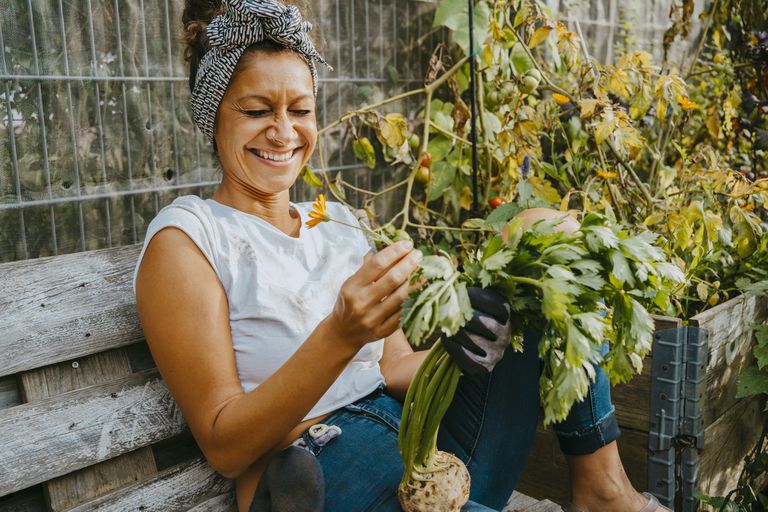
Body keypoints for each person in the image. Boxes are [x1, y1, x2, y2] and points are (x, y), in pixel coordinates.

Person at [133, 1, 671, 511]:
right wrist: (340, 335)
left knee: (543, 233)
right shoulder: (189, 238)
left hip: (422, 434)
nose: (283, 131)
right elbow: (224, 445)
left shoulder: (333, 219)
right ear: (213, 118)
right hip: (320, 457)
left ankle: (603, 489)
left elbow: (392, 367)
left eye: (300, 110)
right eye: (256, 110)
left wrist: (467, 346)